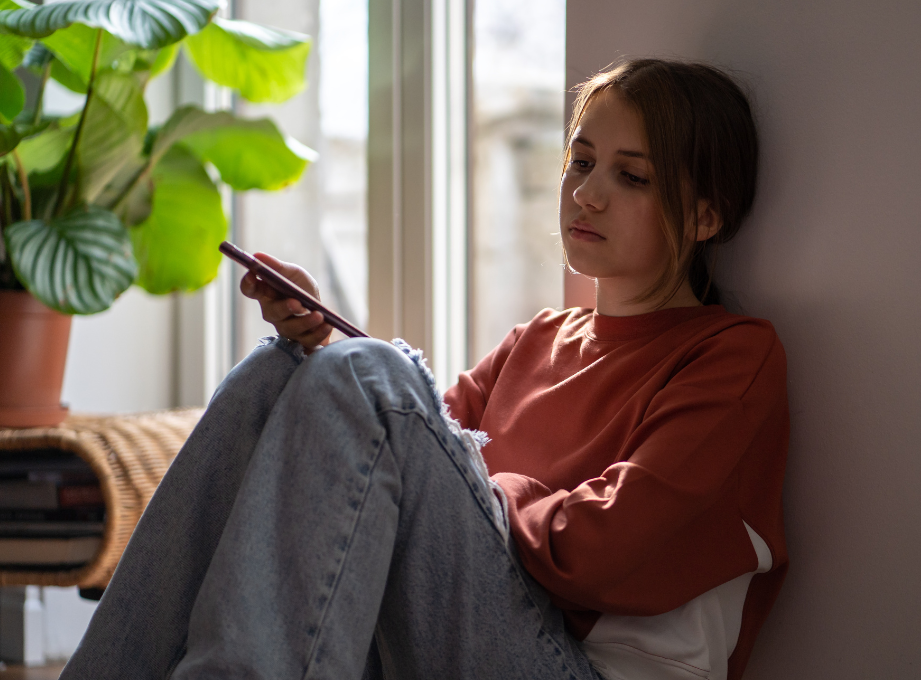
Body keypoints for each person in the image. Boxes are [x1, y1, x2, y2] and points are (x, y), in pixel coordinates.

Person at [61, 59, 788, 680]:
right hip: (467, 633)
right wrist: (320, 346)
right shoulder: (536, 340)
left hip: (581, 667)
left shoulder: (731, 355)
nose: (587, 192)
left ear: (703, 217)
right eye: (580, 160)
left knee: (371, 378)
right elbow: (401, 462)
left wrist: (475, 473)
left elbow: (599, 554)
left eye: (631, 177)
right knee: (275, 370)